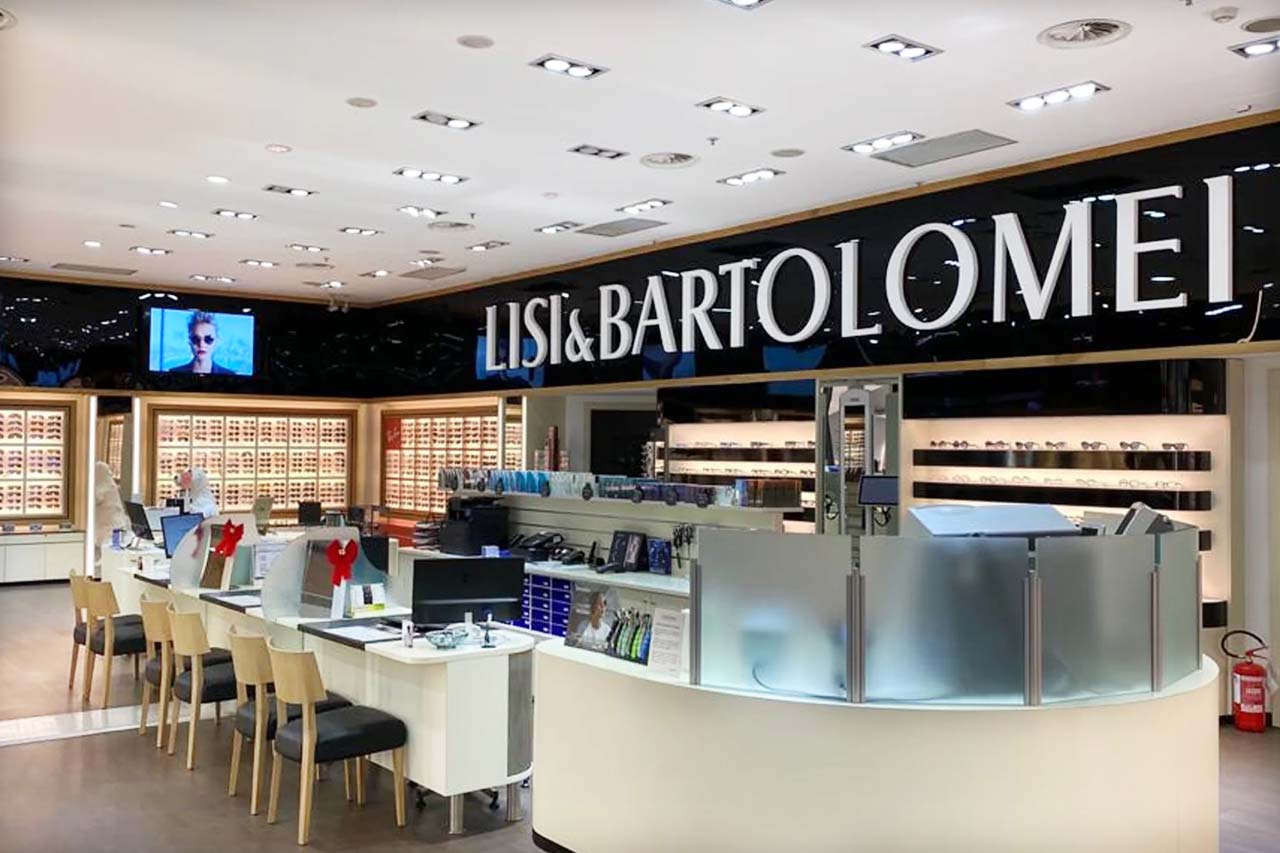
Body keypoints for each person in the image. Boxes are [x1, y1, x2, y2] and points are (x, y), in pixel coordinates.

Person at [168, 310, 234, 374]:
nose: (201, 344)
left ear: (216, 342)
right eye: (196, 339)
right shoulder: (173, 373)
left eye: (208, 339)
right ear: (189, 342)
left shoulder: (229, 375)